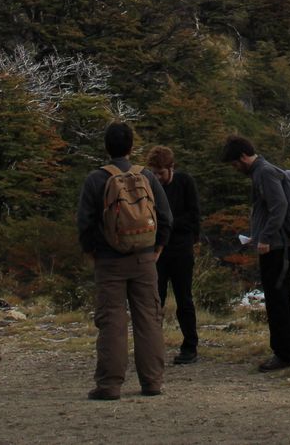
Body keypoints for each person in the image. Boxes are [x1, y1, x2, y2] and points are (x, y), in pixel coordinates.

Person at [76, 121, 172, 400]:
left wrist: (92, 251)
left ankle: (109, 384)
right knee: (149, 320)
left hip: (109, 261)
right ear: (131, 147)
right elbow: (166, 217)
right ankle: (152, 382)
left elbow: (85, 222)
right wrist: (158, 248)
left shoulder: (97, 178)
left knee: (112, 322)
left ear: (107, 147)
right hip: (144, 258)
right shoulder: (148, 177)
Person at [220, 134, 290, 371]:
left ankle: (284, 354)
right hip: (275, 244)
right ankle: (289, 349)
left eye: (235, 164)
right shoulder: (262, 171)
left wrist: (265, 237)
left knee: (277, 300)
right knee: (280, 297)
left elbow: (279, 205)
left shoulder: (263, 172)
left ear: (244, 156)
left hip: (275, 247)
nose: (235, 169)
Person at [146, 146, 201, 365]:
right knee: (153, 300)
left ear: (171, 168)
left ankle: (190, 346)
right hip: (157, 251)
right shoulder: (149, 184)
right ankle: (152, 346)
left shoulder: (185, 182)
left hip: (180, 248)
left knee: (184, 298)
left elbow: (193, 215)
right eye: (155, 173)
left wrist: (169, 225)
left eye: (161, 173)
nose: (158, 177)